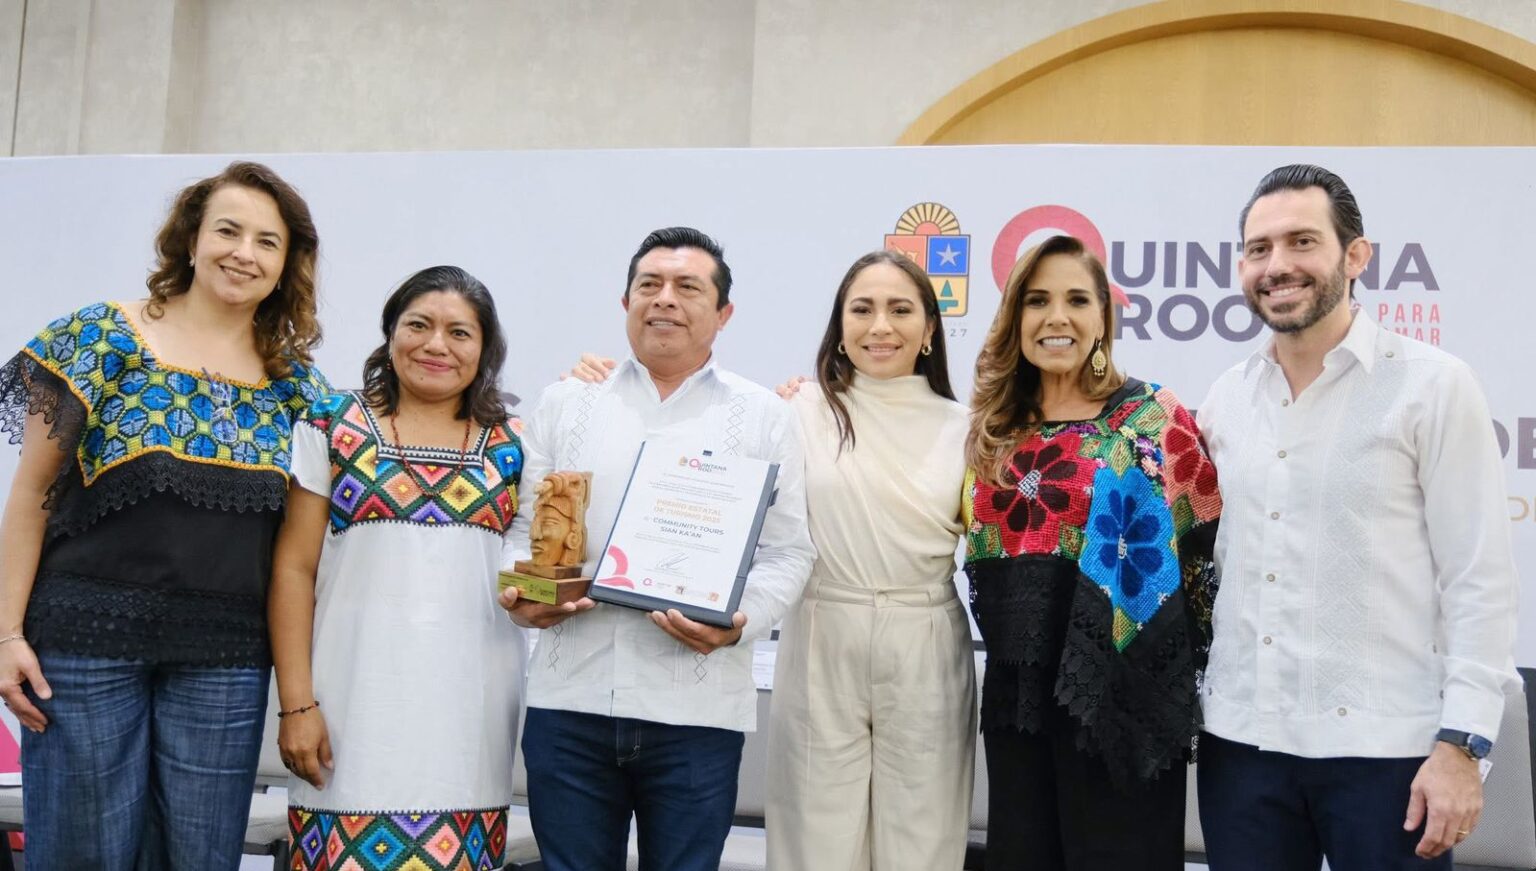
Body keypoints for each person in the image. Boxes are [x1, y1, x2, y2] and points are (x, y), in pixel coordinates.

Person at [568, 248, 979, 870]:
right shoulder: (798, 410)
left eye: (901, 310)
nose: (880, 326)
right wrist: (599, 383)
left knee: (923, 837)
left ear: (929, 330)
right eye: (861, 309)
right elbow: (698, 475)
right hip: (822, 629)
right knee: (814, 837)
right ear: (839, 327)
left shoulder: (968, 428)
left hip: (926, 635)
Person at [0, 161, 329, 870]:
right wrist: (5, 634)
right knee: (83, 855)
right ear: (189, 239)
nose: (245, 253)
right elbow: (30, 496)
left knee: (201, 856)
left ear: (286, 264)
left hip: (224, 658)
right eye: (229, 231)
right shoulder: (99, 339)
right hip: (85, 643)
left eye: (267, 241)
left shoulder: (296, 384)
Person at [1195, 164, 1520, 869]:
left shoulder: (1433, 386)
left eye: (1302, 241)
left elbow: (1479, 580)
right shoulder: (1225, 398)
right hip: (1240, 750)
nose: (1278, 265)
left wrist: (1463, 747)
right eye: (1259, 249)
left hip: (1391, 760)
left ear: (1355, 255)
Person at [499, 226, 815, 871]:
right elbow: (520, 529)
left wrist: (737, 625)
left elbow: (788, 553)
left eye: (688, 288)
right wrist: (522, 597)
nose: (665, 299)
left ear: (723, 314)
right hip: (570, 704)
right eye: (650, 285)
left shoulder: (763, 417)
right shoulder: (567, 403)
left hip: (698, 713)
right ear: (626, 304)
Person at [962, 234, 1220, 870]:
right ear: (1014, 317)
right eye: (1038, 300)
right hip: (1018, 700)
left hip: (1124, 701)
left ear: (1105, 315)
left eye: (1078, 299)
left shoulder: (1154, 417)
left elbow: (1203, 555)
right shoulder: (992, 429)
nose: (1057, 317)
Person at [268, 265, 527, 871]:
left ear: (485, 351)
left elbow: (533, 568)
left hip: (470, 722)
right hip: (346, 715)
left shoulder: (516, 443)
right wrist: (296, 705)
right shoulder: (330, 425)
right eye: (419, 325)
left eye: (460, 333)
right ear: (389, 335)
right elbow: (293, 570)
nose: (436, 345)